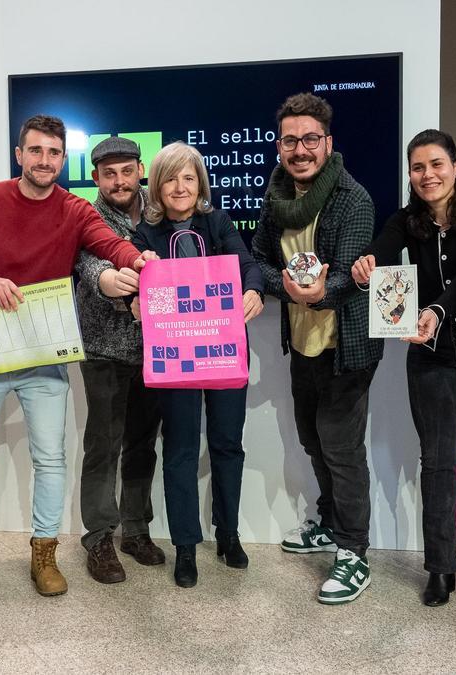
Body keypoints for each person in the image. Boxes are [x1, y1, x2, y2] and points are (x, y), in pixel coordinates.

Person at [0, 115, 151, 596]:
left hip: (44, 351)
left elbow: (109, 244)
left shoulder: (75, 208)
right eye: (35, 151)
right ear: (19, 155)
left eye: (54, 153)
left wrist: (140, 262)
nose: (44, 161)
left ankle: (45, 553)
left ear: (65, 159)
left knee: (51, 457)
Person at [353, 129, 456, 607]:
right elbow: (381, 256)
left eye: (436, 165)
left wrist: (440, 310)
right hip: (432, 352)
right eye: (417, 167)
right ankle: (441, 567)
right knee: (438, 460)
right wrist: (365, 267)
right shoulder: (405, 220)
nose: (427, 175)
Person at [251, 93, 382, 604]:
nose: (299, 149)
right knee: (312, 438)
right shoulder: (274, 196)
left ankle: (354, 554)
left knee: (342, 447)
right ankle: (330, 522)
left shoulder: (353, 199)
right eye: (290, 140)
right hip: (302, 342)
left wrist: (320, 294)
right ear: (280, 144)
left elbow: (350, 272)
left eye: (309, 139)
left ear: (328, 142)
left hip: (347, 346)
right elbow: (259, 259)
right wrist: (286, 289)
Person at [132, 141, 264, 588]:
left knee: (228, 443)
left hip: (224, 350)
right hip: (176, 359)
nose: (180, 186)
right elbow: (133, 284)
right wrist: (136, 300)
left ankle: (228, 534)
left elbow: (248, 265)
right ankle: (185, 545)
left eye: (189, 177)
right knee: (181, 449)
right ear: (157, 185)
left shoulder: (217, 221)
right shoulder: (145, 234)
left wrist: (253, 291)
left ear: (201, 183)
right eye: (170, 177)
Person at [74, 137, 165, 583]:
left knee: (143, 445)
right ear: (95, 178)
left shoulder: (161, 209)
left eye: (126, 171)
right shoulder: (84, 216)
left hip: (157, 352)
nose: (118, 180)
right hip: (103, 351)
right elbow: (90, 266)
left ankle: (136, 529)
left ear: (140, 169)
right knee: (103, 448)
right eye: (108, 173)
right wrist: (110, 280)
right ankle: (99, 538)